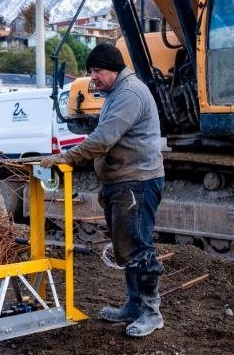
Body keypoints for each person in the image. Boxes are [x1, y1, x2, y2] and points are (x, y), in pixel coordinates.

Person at [41, 44, 166, 338]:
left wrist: (65, 157)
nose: (92, 77)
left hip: (137, 181)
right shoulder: (116, 94)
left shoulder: (129, 94)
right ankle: (134, 305)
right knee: (127, 247)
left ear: (113, 68)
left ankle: (151, 313)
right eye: (90, 72)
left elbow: (103, 139)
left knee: (138, 248)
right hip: (123, 180)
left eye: (96, 71)